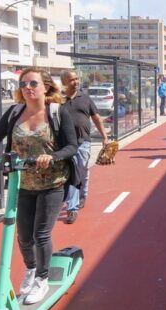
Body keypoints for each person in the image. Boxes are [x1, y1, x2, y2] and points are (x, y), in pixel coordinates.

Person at [0, 68, 78, 305]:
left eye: (33, 83)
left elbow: (72, 146)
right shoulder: (14, 112)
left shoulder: (57, 112)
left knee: (40, 234)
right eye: (23, 84)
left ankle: (42, 278)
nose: (28, 88)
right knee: (23, 236)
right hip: (21, 183)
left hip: (52, 183)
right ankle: (31, 269)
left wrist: (51, 157)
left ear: (46, 87)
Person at [61, 69, 109, 224]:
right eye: (71, 79)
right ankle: (72, 208)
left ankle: (83, 195)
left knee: (82, 170)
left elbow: (96, 119)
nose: (75, 82)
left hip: (83, 142)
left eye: (76, 79)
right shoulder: (59, 100)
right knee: (72, 173)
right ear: (64, 83)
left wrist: (105, 137)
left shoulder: (85, 99)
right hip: (66, 144)